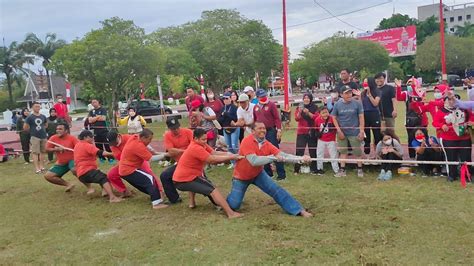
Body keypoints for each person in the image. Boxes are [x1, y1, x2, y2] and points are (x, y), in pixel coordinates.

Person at [226, 122, 313, 217]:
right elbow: (254, 161)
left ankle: (299, 210)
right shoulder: (246, 141)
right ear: (252, 131)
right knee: (234, 205)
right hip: (241, 177)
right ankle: (223, 202)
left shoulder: (267, 144)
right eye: (259, 128)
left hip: (258, 174)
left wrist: (300, 159)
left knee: (277, 190)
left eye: (264, 128)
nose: (263, 130)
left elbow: (283, 155)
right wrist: (272, 157)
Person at [172, 128, 244, 219]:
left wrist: (229, 154)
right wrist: (232, 157)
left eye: (206, 139)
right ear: (195, 139)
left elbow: (214, 152)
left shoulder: (202, 144)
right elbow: (212, 159)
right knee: (213, 190)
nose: (205, 141)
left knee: (198, 182)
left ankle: (192, 203)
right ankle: (230, 213)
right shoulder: (195, 148)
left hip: (185, 178)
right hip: (184, 180)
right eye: (203, 139)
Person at [118, 129, 168, 208]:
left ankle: (157, 197)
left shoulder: (134, 137)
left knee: (144, 184)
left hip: (125, 170)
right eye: (149, 139)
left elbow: (147, 148)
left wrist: (154, 151)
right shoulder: (138, 146)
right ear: (143, 138)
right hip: (129, 169)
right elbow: (151, 159)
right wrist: (165, 155)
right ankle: (156, 203)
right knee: (150, 179)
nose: (150, 141)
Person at [107, 131, 163, 198]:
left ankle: (160, 191)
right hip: (126, 163)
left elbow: (143, 143)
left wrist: (153, 152)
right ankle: (124, 191)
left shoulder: (129, 138)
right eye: (111, 143)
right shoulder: (112, 145)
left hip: (139, 159)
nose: (113, 144)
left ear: (118, 136)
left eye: (114, 141)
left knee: (149, 173)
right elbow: (119, 157)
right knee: (111, 174)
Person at [73, 130, 122, 203]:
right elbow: (100, 152)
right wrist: (113, 154)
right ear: (86, 137)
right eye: (91, 137)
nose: (93, 139)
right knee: (104, 178)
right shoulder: (87, 145)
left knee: (99, 175)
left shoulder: (77, 145)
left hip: (80, 174)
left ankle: (104, 192)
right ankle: (112, 197)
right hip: (87, 171)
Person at [432, 95, 471, 182]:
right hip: (448, 138)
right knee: (451, 157)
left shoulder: (464, 110)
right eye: (449, 100)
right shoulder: (441, 111)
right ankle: (452, 175)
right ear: (445, 101)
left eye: (454, 99)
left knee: (466, 157)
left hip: (464, 138)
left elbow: (472, 117)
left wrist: (469, 124)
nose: (451, 101)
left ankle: (467, 175)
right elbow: (435, 122)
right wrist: (442, 125)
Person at [332, 86, 365, 177]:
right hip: (342, 132)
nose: (349, 95)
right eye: (346, 93)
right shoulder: (337, 104)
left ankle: (360, 169)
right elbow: (334, 117)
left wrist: (361, 131)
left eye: (350, 92)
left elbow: (361, 117)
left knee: (357, 151)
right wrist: (339, 130)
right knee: (343, 151)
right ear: (341, 94)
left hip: (354, 131)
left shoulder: (357, 103)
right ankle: (342, 170)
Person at [253, 89, 286, 180]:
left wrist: (279, 130)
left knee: (275, 151)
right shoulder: (255, 107)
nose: (263, 98)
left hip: (271, 131)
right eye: (261, 96)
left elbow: (277, 118)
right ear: (257, 97)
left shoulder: (271, 105)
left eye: (264, 96)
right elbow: (255, 120)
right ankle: (268, 173)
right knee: (263, 152)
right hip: (260, 132)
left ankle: (281, 174)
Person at [160, 117, 194, 204]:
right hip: (180, 163)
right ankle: (174, 199)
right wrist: (184, 150)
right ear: (169, 129)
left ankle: (214, 199)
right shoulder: (168, 135)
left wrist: (178, 150)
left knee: (201, 178)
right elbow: (171, 151)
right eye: (173, 129)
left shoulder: (188, 132)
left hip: (192, 162)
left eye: (177, 127)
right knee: (165, 176)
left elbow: (194, 147)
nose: (176, 130)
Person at [395, 77, 429, 158]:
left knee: (422, 137)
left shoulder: (421, 91)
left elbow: (419, 99)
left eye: (412, 83)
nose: (410, 85)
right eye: (409, 84)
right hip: (409, 120)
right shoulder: (406, 94)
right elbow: (399, 97)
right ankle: (412, 157)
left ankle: (424, 155)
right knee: (410, 138)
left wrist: (414, 87)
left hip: (421, 119)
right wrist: (398, 87)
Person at [43, 122, 77, 191]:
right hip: (61, 163)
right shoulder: (53, 138)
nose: (58, 130)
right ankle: (69, 185)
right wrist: (56, 149)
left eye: (60, 129)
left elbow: (80, 148)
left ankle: (89, 187)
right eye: (57, 129)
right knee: (48, 176)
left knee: (74, 170)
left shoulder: (72, 138)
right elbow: (46, 149)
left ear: (66, 131)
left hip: (73, 160)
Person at [294, 93, 318, 174]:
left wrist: (308, 113)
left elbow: (316, 118)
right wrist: (300, 112)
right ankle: (297, 169)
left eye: (308, 98)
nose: (306, 99)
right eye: (305, 98)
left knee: (313, 151)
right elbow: (296, 118)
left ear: (311, 99)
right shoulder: (299, 107)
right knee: (299, 151)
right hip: (301, 132)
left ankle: (314, 169)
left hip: (312, 131)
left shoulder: (314, 107)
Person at [24, 102, 48, 174]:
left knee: (43, 151)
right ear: (32, 108)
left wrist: (42, 129)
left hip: (43, 136)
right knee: (35, 152)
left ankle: (42, 166)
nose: (38, 108)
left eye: (38, 106)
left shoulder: (43, 116)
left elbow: (46, 125)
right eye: (36, 106)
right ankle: (37, 168)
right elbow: (25, 127)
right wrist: (32, 131)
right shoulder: (30, 117)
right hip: (34, 137)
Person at [314, 107, 339, 175]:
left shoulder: (332, 118)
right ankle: (319, 169)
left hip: (331, 140)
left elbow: (336, 127)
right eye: (323, 113)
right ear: (320, 114)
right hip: (321, 140)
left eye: (326, 112)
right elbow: (316, 128)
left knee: (333, 155)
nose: (325, 114)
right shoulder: (317, 120)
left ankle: (336, 170)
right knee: (319, 154)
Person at [375, 72, 399, 142]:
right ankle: (379, 149)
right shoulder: (374, 90)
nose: (379, 80)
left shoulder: (390, 88)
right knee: (378, 133)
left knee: (390, 132)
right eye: (377, 79)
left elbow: (394, 100)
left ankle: (397, 146)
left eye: (381, 78)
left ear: (384, 79)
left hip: (388, 114)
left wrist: (395, 110)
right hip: (377, 115)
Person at [361, 77, 382, 156]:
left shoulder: (377, 91)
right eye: (364, 83)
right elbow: (360, 104)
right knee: (366, 136)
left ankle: (378, 154)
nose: (365, 84)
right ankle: (367, 154)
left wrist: (369, 95)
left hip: (374, 114)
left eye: (366, 82)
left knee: (377, 135)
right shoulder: (363, 93)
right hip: (365, 115)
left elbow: (375, 103)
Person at [219, 92, 239, 168]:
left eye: (227, 98)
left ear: (230, 99)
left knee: (234, 146)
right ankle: (233, 163)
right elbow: (220, 119)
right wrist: (224, 116)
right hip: (225, 128)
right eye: (223, 99)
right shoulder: (222, 108)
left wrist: (227, 115)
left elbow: (235, 118)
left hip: (234, 128)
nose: (225, 100)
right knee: (229, 147)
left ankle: (239, 160)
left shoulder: (234, 107)